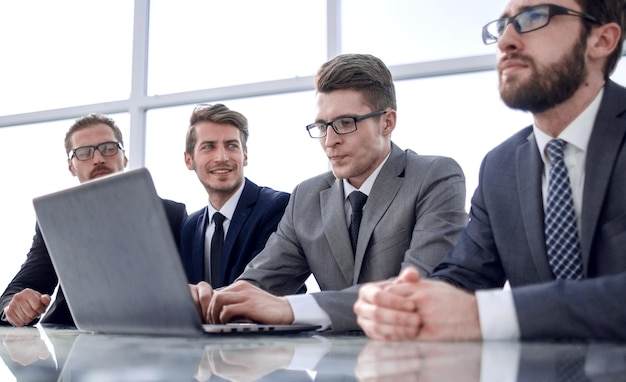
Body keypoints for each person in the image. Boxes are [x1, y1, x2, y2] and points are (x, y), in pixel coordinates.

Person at [354, 0, 626, 341]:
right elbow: (465, 276)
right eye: (502, 26)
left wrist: (489, 316)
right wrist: (404, 305)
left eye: (533, 17)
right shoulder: (501, 166)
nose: (505, 42)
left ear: (601, 40)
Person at [190, 53, 468, 332]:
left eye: (346, 123)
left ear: (387, 122)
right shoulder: (306, 198)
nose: (329, 140)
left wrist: (289, 308)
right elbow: (258, 283)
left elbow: (420, 290)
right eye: (322, 126)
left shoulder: (434, 177)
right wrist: (212, 301)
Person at [0, 114, 187, 327]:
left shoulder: (171, 214)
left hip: (151, 338)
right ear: (71, 167)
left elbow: (192, 288)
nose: (98, 159)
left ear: (124, 158)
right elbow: (21, 286)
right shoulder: (58, 220)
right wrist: (13, 308)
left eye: (108, 148)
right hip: (70, 341)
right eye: (84, 153)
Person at [180, 103, 291, 289]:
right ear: (189, 160)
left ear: (245, 155)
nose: (222, 157)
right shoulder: (190, 227)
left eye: (231, 145)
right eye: (208, 147)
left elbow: (265, 287)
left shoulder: (277, 207)